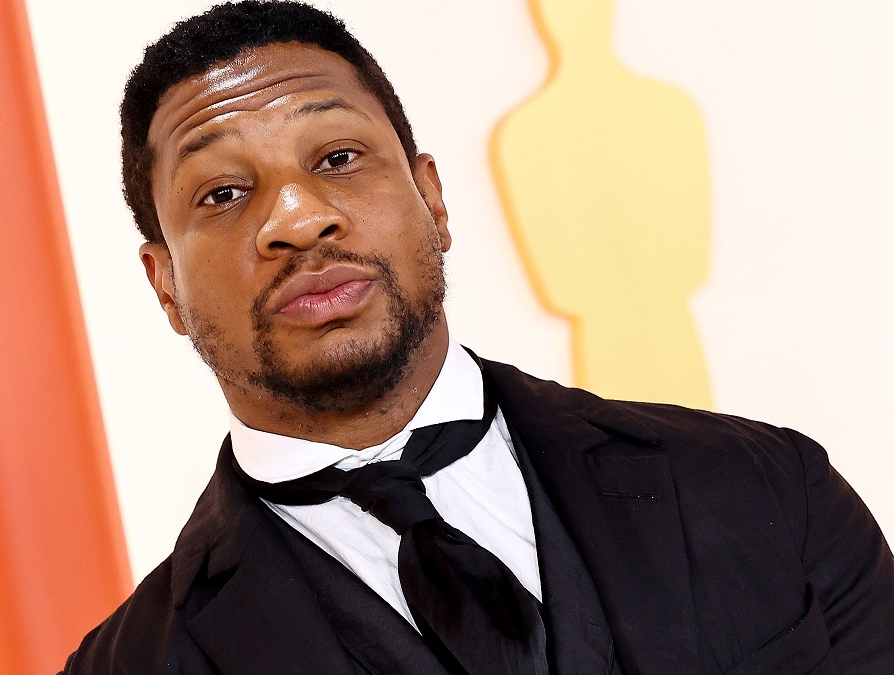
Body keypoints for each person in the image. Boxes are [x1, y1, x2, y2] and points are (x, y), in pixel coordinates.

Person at [62, 2, 894, 673]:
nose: (298, 218)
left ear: (433, 198)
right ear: (164, 283)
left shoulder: (772, 490)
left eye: (339, 156)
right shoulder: (131, 663)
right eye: (222, 193)